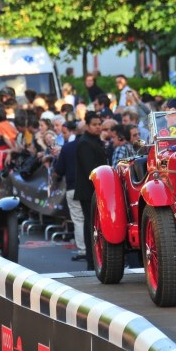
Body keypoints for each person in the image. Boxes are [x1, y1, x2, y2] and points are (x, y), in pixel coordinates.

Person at [75, 111, 107, 270]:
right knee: (91, 226)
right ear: (87, 126)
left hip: (97, 190)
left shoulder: (95, 141)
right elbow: (90, 169)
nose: (98, 127)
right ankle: (91, 261)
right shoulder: (84, 142)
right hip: (89, 192)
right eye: (94, 125)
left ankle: (97, 259)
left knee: (95, 226)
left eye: (99, 124)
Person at [54, 121, 86, 261]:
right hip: (89, 188)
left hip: (73, 187)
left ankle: (83, 250)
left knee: (78, 220)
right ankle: (91, 248)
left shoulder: (66, 148)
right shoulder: (91, 146)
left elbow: (59, 171)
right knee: (90, 219)